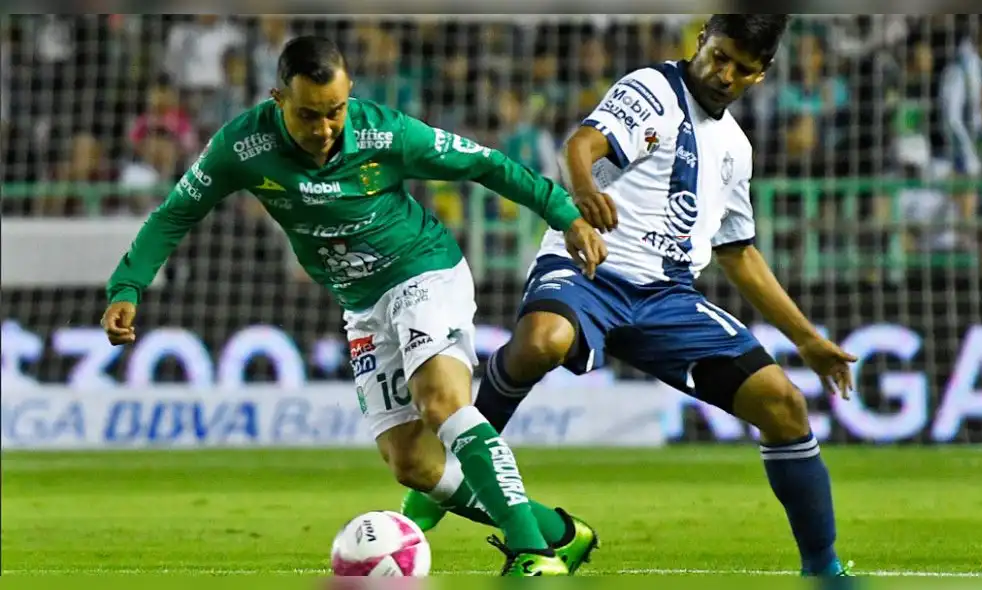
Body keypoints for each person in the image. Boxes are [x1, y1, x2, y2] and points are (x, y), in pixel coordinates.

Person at [100, 35, 607, 577]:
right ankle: (558, 532)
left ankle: (535, 553)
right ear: (277, 99)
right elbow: (177, 212)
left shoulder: (384, 132)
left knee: (441, 403)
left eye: (335, 111)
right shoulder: (242, 147)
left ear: (350, 97)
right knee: (410, 463)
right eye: (308, 116)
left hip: (423, 273)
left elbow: (486, 164)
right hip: (362, 305)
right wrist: (127, 286)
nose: (324, 129)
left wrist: (564, 213)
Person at [401, 15, 858, 578]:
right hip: (588, 267)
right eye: (719, 56)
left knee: (784, 404)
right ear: (702, 42)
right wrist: (586, 195)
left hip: (666, 296)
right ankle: (420, 511)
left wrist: (809, 341)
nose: (724, 73)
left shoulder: (736, 149)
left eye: (741, 68)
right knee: (542, 340)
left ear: (760, 76)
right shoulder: (654, 89)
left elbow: (738, 252)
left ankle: (823, 569)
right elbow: (583, 144)